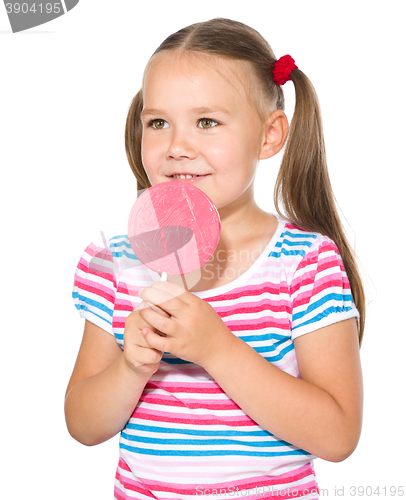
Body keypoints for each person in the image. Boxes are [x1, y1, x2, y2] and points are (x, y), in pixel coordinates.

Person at [65, 18, 364, 500]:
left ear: (269, 136)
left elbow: (338, 435)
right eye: (158, 122)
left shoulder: (305, 263)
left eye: (207, 122)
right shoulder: (114, 263)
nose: (177, 147)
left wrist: (217, 348)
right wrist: (130, 369)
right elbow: (82, 424)